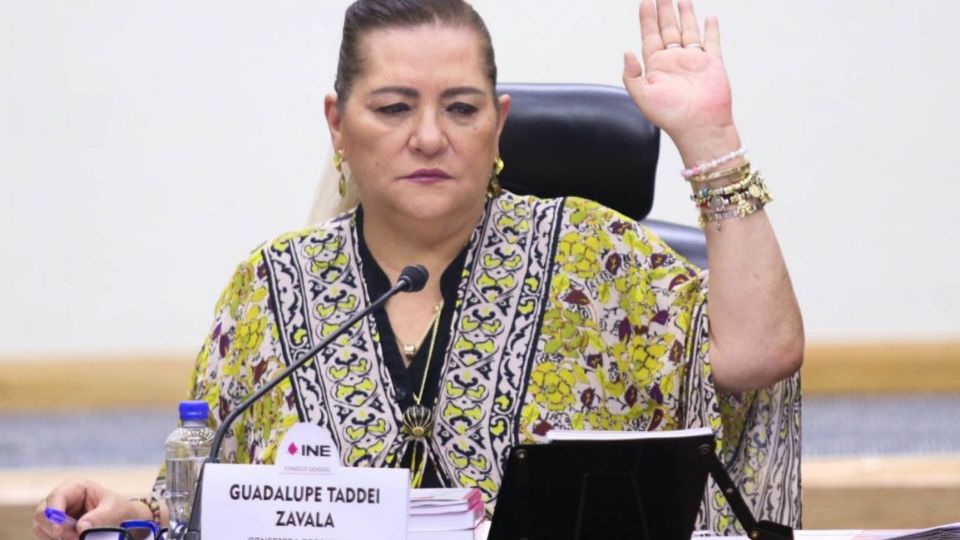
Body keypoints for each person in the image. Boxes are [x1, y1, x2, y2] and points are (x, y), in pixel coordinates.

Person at [34, 0, 804, 537]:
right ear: (338, 124)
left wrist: (710, 137)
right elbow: (212, 503)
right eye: (394, 107)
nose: (430, 136)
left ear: (498, 123)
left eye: (461, 108)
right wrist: (137, 514)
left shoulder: (596, 258)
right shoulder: (270, 287)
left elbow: (759, 354)